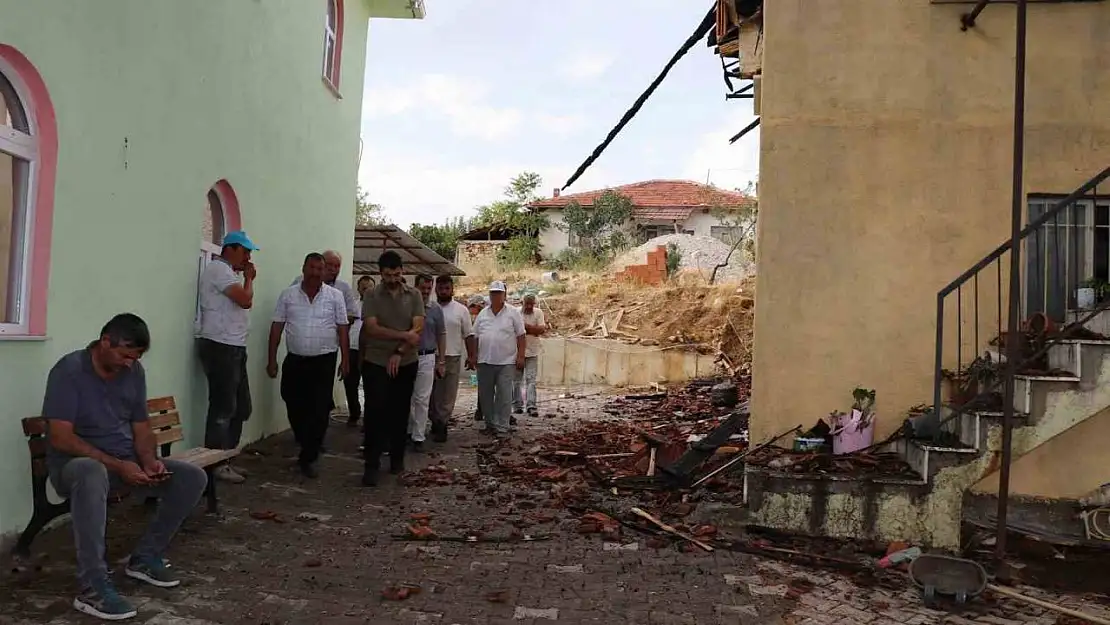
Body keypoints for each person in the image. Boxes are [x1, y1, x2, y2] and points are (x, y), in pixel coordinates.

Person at [44, 314, 208, 621]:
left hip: (123, 466)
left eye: (136, 358)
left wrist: (148, 460)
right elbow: (60, 437)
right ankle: (91, 585)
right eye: (124, 356)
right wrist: (119, 465)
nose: (129, 364)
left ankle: (145, 559)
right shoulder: (69, 372)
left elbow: (141, 425)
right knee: (90, 472)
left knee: (191, 477)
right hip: (74, 470)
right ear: (105, 342)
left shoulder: (133, 372)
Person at [267, 253, 350, 478]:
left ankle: (308, 456)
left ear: (324, 272)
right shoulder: (288, 295)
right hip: (296, 359)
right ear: (303, 268)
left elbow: (342, 328)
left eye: (319, 269)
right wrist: (271, 359)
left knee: (320, 408)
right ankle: (305, 441)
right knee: (291, 399)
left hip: (324, 360)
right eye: (312, 268)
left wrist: (346, 360)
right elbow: (277, 326)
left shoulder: (335, 296)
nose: (315, 273)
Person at [195, 230, 259, 484]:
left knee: (241, 407)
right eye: (245, 252)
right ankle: (216, 463)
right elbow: (245, 300)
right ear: (231, 249)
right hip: (220, 345)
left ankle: (226, 458)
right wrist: (250, 279)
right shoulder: (218, 270)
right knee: (223, 408)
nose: (248, 257)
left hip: (233, 346)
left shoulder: (228, 273)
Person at [360, 251, 424, 486]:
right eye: (388, 275)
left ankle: (397, 459)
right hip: (376, 361)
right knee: (375, 413)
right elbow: (372, 328)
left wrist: (398, 351)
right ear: (381, 273)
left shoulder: (414, 295)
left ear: (402, 271)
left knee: (400, 411)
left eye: (397, 274)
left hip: (406, 361)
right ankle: (371, 465)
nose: (393, 279)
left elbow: (418, 328)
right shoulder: (371, 295)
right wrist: (403, 335)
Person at [471, 281, 526, 439]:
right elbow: (475, 336)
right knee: (485, 395)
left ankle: (502, 426)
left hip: (506, 362)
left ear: (504, 295)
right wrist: (474, 355)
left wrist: (521, 356)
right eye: (492, 293)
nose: (495, 296)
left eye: (498, 293)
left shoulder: (513, 313)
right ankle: (490, 424)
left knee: (504, 394)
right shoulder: (483, 314)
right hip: (485, 361)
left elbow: (521, 336)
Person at [429, 275, 476, 442]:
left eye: (447, 288)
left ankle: (442, 424)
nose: (443, 291)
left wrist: (471, 356)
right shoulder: (430, 308)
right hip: (430, 356)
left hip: (452, 357)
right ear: (436, 290)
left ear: (452, 289)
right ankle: (434, 420)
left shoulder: (461, 310)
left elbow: (469, 334)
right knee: (431, 393)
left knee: (448, 394)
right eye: (440, 288)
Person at [407, 275, 446, 452]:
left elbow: (441, 334)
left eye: (428, 289)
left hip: (427, 356)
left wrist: (441, 360)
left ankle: (418, 436)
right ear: (415, 287)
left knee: (422, 398)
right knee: (407, 396)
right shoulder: (407, 305)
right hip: (407, 355)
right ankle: (407, 431)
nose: (425, 292)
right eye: (422, 288)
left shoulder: (435, 309)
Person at [343, 275, 375, 428]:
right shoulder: (353, 306)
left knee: (371, 386)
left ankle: (370, 419)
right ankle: (354, 413)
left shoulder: (378, 308)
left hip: (371, 351)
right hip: (353, 349)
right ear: (359, 289)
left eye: (370, 287)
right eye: (364, 287)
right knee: (350, 384)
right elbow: (346, 327)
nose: (367, 290)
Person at [513, 292, 546, 417]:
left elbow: (541, 330)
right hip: (516, 351)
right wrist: (533, 330)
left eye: (531, 304)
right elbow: (515, 331)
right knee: (516, 380)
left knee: (531, 380)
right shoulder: (515, 313)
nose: (529, 307)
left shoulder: (538, 313)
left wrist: (526, 327)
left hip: (532, 351)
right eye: (527, 304)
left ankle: (531, 406)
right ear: (522, 303)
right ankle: (517, 405)